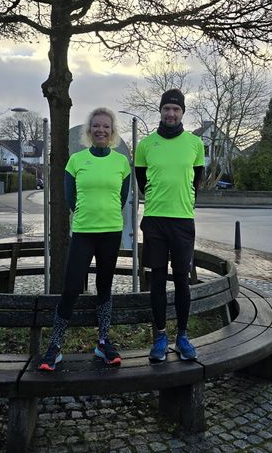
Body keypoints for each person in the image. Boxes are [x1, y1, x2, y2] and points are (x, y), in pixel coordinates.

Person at [38, 107, 131, 371]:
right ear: (89, 131)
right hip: (83, 233)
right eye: (96, 126)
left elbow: (122, 198)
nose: (101, 130)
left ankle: (103, 342)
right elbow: (70, 198)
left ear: (112, 132)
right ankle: (55, 346)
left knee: (104, 287)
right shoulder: (76, 160)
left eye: (106, 127)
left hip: (111, 232)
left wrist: (107, 215)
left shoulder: (121, 163)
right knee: (70, 288)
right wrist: (86, 214)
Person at [135, 89, 206, 363]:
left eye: (176, 109)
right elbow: (143, 182)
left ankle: (183, 336)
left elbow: (196, 180)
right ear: (161, 111)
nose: (171, 114)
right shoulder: (146, 145)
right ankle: (161, 336)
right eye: (167, 109)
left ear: (183, 113)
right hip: (154, 221)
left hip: (183, 222)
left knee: (181, 281)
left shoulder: (195, 144)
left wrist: (184, 204)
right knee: (157, 282)